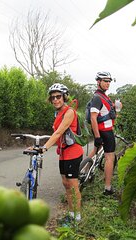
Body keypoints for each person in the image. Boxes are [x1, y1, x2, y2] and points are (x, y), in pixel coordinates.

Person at [36, 83, 83, 223]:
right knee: (66, 184)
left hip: (73, 153)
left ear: (64, 97)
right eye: (53, 98)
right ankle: (71, 214)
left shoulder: (69, 112)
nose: (55, 100)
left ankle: (77, 218)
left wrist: (44, 148)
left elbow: (58, 133)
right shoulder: (58, 113)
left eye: (58, 96)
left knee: (73, 186)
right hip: (63, 153)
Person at [88, 71, 117, 196]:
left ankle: (83, 171)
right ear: (98, 82)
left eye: (109, 81)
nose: (108, 83)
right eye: (105, 81)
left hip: (103, 131)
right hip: (105, 132)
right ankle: (108, 188)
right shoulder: (97, 98)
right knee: (110, 158)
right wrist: (98, 137)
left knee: (95, 151)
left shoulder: (104, 97)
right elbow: (93, 118)